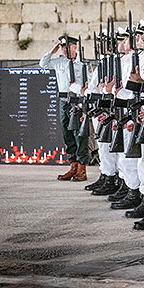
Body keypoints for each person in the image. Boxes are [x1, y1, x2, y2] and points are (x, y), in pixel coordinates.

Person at [39, 35, 89, 181]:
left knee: (80, 134)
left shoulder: (83, 64)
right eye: (62, 47)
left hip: (77, 100)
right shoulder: (59, 62)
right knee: (67, 133)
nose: (64, 50)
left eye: (67, 47)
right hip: (63, 100)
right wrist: (52, 51)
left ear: (75, 47)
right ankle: (73, 166)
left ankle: (82, 168)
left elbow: (88, 85)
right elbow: (43, 64)